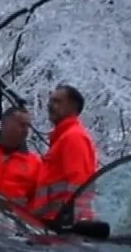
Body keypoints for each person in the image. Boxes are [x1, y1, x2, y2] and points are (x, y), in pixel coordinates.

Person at [30, 84, 99, 222]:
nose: (50, 106)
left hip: (62, 224)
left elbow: (79, 184)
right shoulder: (62, 138)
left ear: (73, 107)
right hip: (52, 221)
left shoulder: (74, 137)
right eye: (50, 101)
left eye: (57, 101)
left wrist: (69, 219)